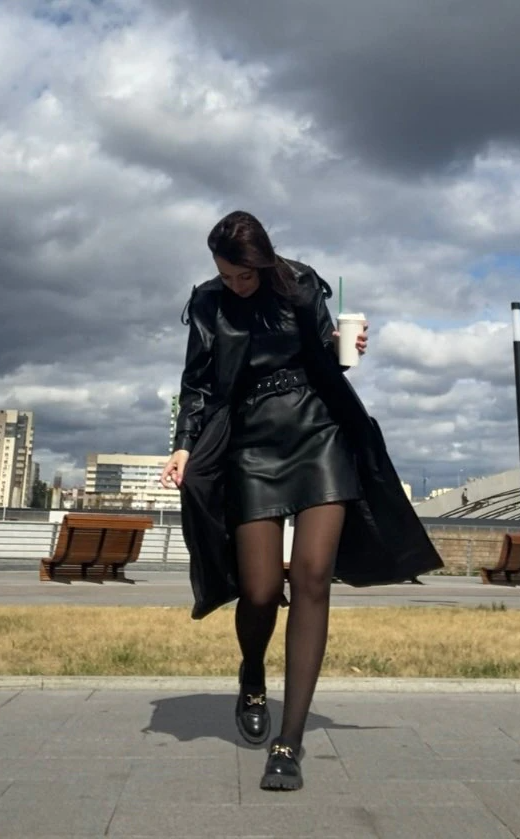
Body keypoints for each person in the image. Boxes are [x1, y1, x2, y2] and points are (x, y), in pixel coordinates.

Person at [161, 211, 443, 792]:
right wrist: (184, 444)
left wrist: (346, 344)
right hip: (250, 444)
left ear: (264, 261)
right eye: (227, 275)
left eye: (245, 275)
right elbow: (198, 383)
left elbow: (327, 354)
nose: (237, 285)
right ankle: (252, 673)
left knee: (313, 576)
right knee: (261, 590)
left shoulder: (301, 284)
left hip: (319, 433)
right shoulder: (208, 303)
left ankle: (288, 743)